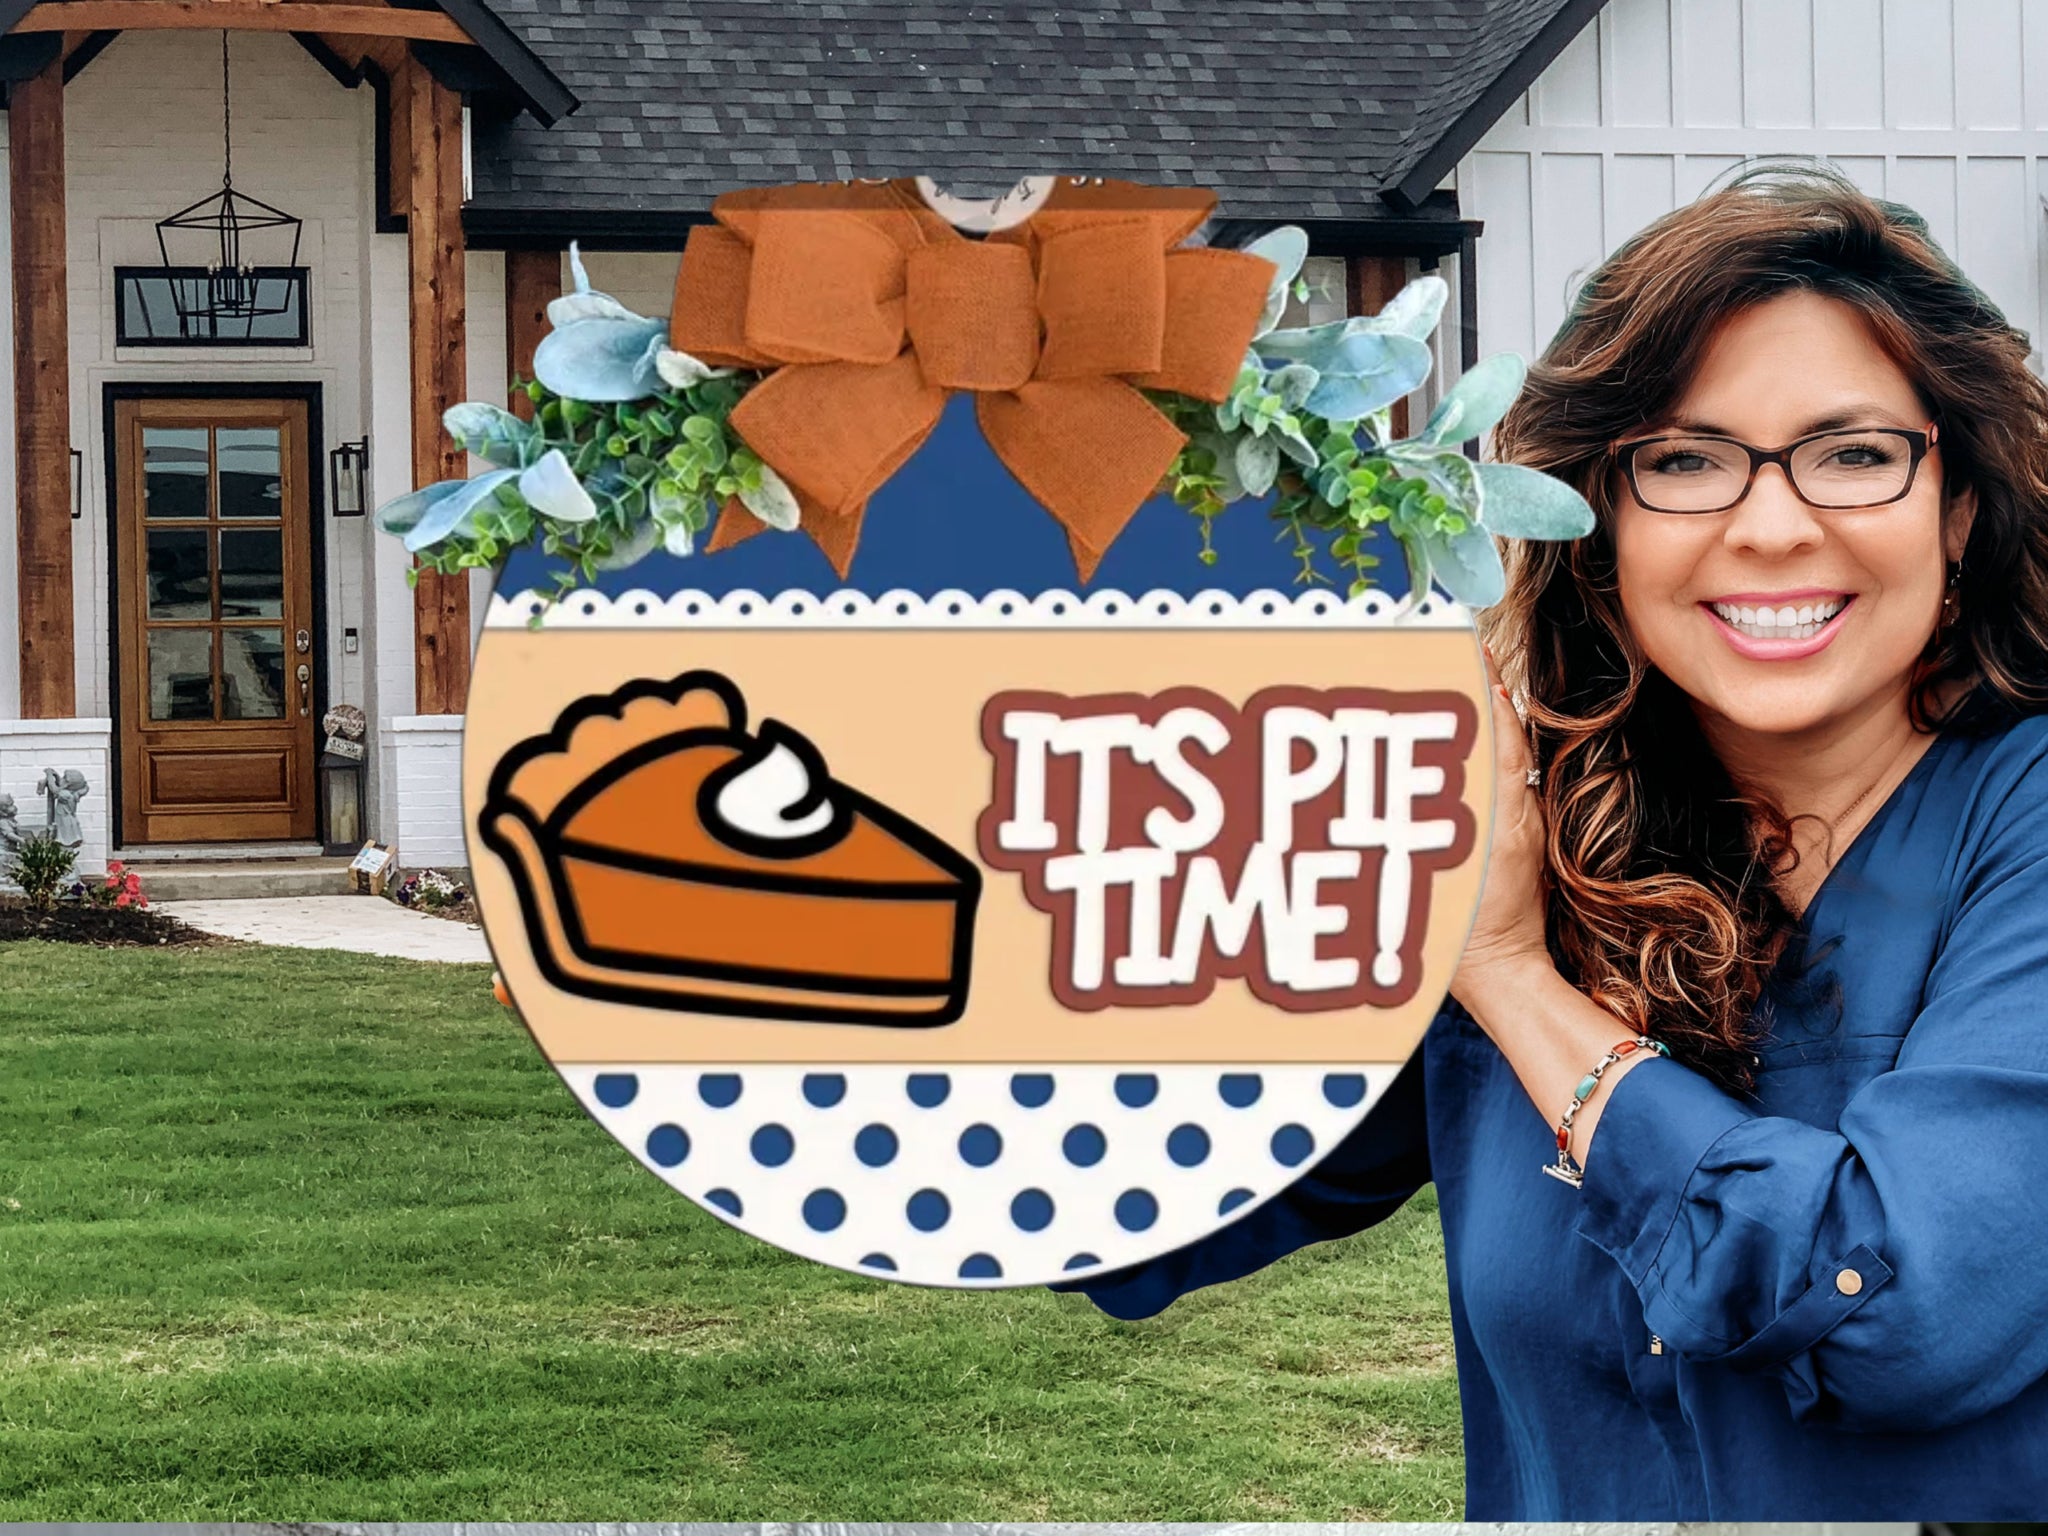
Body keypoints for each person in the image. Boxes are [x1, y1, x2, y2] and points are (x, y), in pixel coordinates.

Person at [1062, 162, 2048, 1519]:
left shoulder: (2017, 827)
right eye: (1685, 461)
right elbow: (1128, 1205)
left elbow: (1905, 1314)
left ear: (1960, 509)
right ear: (1600, 528)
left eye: (1855, 455)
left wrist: (1513, 980)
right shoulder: (1531, 831)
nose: (1772, 527)